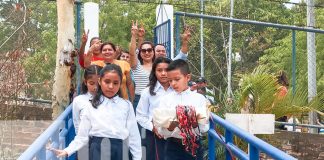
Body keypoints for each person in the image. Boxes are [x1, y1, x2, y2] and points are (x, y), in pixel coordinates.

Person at [50, 64, 142, 160]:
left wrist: (138, 158)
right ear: (100, 81)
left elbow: (134, 135)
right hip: (97, 150)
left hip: (120, 151)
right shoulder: (91, 105)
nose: (111, 86)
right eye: (107, 82)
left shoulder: (126, 105)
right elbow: (82, 136)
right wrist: (67, 150)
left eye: (115, 83)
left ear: (120, 84)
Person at [153, 59, 209, 160]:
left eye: (177, 79)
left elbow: (204, 128)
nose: (173, 83)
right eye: (170, 80)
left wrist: (194, 122)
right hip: (173, 146)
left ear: (187, 77)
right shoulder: (165, 100)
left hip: (194, 146)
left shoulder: (199, 99)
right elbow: (161, 130)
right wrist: (171, 126)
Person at [136, 57, 172, 160]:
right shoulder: (147, 92)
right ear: (154, 72)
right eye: (159, 70)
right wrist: (153, 127)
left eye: (167, 70)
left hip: (175, 135)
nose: (163, 73)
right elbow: (140, 116)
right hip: (154, 135)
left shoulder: (177, 90)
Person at [129, 21, 155, 108]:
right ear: (140, 53)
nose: (146, 52)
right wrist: (134, 35)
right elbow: (132, 53)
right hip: (138, 100)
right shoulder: (136, 66)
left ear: (154, 52)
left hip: (154, 98)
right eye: (143, 51)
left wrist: (141, 37)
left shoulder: (158, 67)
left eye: (149, 50)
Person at [72, 65, 102, 133]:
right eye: (91, 83)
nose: (95, 87)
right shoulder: (78, 100)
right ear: (85, 82)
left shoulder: (106, 99)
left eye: (99, 83)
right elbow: (77, 123)